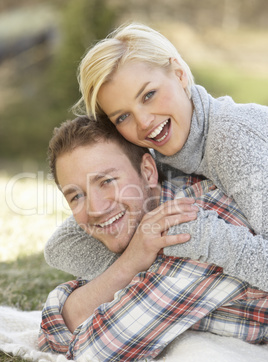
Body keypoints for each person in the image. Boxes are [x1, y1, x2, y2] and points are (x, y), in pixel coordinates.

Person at [45, 22, 268, 286]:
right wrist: (140, 258)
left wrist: (209, 240)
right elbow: (60, 245)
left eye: (149, 95)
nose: (143, 122)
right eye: (122, 116)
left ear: (179, 74)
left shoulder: (230, 139)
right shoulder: (161, 155)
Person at [39, 116, 268, 362]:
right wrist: (130, 263)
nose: (95, 209)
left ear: (148, 171)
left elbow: (95, 352)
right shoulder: (145, 225)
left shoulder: (190, 224)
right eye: (76, 196)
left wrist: (81, 298)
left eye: (106, 181)